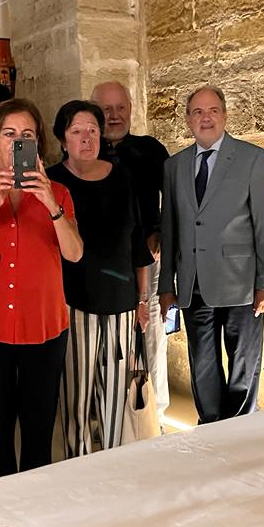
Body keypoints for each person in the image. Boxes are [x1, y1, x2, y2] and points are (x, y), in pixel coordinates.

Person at [0, 99, 82, 479]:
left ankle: (35, 500)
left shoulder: (58, 191)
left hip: (44, 326)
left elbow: (75, 253)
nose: (17, 141)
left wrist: (50, 203)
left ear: (37, 143)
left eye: (27, 134)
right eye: (9, 134)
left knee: (39, 429)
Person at [159, 85, 264, 424]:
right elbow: (170, 229)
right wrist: (166, 285)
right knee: (202, 365)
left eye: (212, 110)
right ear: (187, 120)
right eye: (197, 112)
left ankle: (240, 430)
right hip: (193, 284)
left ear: (225, 116)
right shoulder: (174, 166)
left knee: (243, 364)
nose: (206, 118)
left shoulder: (252, 158)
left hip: (242, 284)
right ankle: (211, 427)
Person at [47, 100, 152, 456]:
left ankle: (113, 467)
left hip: (121, 303)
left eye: (92, 130)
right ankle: (77, 468)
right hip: (74, 303)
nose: (86, 138)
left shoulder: (122, 177)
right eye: (76, 131)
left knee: (116, 401)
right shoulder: (52, 182)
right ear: (63, 139)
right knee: (76, 401)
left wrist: (142, 299)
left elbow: (136, 243)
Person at [91, 81, 171, 423]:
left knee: (151, 334)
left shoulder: (150, 150)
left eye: (120, 108)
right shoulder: (84, 151)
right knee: (106, 339)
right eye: (106, 109)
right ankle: (110, 415)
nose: (114, 116)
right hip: (103, 263)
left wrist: (161, 233)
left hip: (147, 259)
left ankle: (155, 416)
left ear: (130, 110)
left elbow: (176, 199)